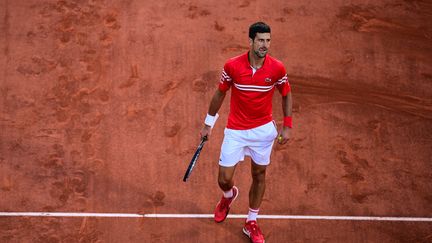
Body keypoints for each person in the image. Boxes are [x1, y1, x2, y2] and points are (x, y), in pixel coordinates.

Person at [199, 21, 292, 243]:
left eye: (268, 40)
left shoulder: (277, 68)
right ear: (250, 41)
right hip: (236, 130)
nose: (265, 45)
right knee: (224, 178)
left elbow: (287, 93)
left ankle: (251, 221)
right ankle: (228, 196)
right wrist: (207, 124)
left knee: (259, 174)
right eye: (260, 40)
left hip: (262, 131)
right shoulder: (232, 66)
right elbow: (220, 93)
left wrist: (287, 125)